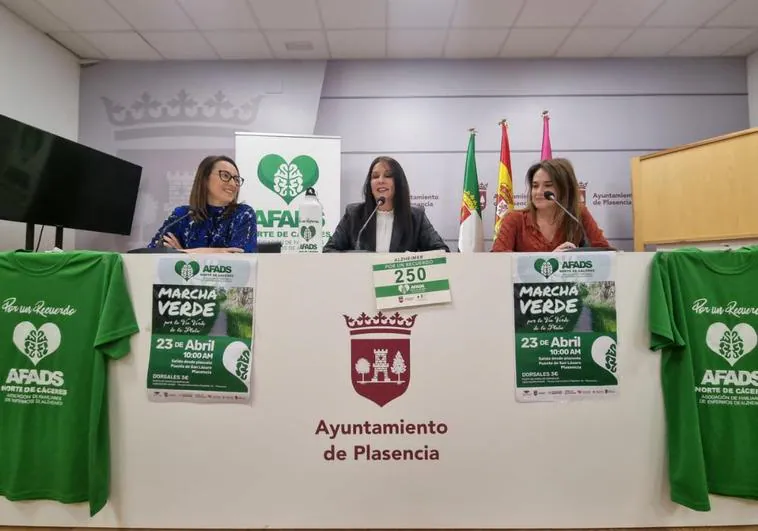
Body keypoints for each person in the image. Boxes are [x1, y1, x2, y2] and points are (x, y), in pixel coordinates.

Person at [324, 156, 449, 253]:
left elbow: (441, 251)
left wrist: (413, 260)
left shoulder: (415, 217)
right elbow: (329, 250)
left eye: (388, 176)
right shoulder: (354, 214)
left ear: (398, 182)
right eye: (375, 176)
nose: (380, 180)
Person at [491, 158, 609, 252]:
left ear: (565, 189)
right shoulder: (515, 219)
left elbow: (605, 252)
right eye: (535, 186)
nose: (538, 192)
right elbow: (499, 262)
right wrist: (551, 260)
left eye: (548, 185)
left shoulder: (577, 214)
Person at [147, 155, 257, 253]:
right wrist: (219, 251)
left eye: (236, 179)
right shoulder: (182, 215)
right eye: (225, 176)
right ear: (205, 178)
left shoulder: (243, 214)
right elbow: (152, 251)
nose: (233, 184)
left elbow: (240, 257)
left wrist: (183, 253)